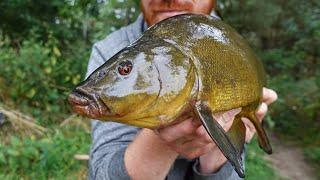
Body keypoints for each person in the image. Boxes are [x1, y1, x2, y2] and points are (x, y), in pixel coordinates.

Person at [87, 0, 278, 179]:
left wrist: (217, 154)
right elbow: (101, 173)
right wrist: (162, 142)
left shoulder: (230, 43)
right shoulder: (109, 48)